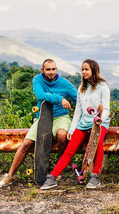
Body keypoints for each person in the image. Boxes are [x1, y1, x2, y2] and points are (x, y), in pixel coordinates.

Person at [0, 58, 77, 187]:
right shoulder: (37, 80)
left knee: (62, 135)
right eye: (48, 69)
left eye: (53, 69)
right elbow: (40, 95)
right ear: (42, 70)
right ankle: (9, 175)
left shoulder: (65, 84)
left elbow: (78, 99)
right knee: (27, 143)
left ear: (57, 69)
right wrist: (59, 98)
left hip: (60, 117)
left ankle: (59, 169)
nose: (51, 72)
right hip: (43, 118)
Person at [40, 59, 110, 190]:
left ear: (93, 70)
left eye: (86, 69)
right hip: (84, 123)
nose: (83, 72)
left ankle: (95, 176)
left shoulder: (103, 87)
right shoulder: (81, 88)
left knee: (98, 143)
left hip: (100, 123)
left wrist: (100, 119)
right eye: (82, 69)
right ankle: (53, 177)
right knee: (69, 150)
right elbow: (78, 111)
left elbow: (106, 109)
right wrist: (72, 130)